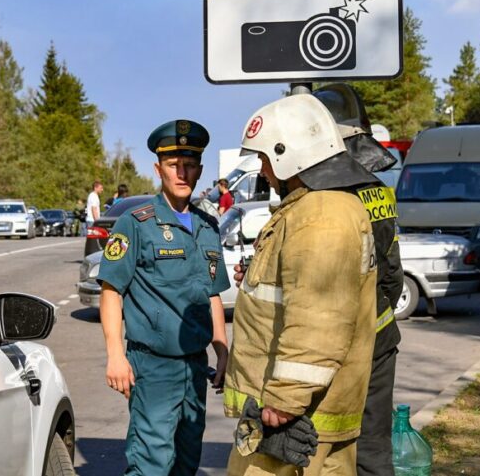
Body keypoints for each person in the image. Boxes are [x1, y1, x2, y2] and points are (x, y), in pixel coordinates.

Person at [224, 94, 377, 475]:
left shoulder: (321, 216)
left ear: (285, 153)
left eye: (264, 158)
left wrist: (284, 399)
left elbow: (320, 317)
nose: (262, 171)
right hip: (302, 417)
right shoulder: (313, 208)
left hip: (292, 422)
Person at [96, 120, 230, 476]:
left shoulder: (207, 226)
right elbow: (111, 291)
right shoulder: (135, 224)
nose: (182, 173)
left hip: (195, 366)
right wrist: (115, 356)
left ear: (200, 170)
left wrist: (222, 349)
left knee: (187, 461)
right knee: (151, 463)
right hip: (153, 367)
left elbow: (212, 293)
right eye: (173, 165)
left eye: (189, 165)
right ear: (159, 169)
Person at [313, 83, 404, 476]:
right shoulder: (379, 191)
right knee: (373, 448)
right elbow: (393, 276)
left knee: (327, 449)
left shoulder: (323, 199)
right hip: (381, 338)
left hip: (335, 346)